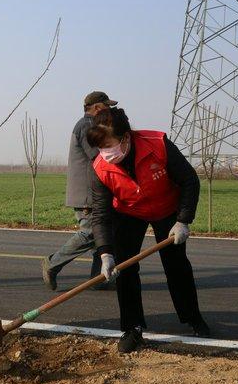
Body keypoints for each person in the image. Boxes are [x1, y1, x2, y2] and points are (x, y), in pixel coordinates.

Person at [87, 106, 210, 353]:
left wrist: (183, 220)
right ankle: (132, 328)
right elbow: (100, 214)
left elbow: (189, 180)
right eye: (101, 148)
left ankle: (193, 318)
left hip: (167, 209)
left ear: (126, 138)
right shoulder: (100, 167)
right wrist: (105, 253)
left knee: (176, 265)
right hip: (129, 212)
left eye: (109, 146)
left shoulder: (157, 144)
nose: (106, 154)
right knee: (125, 267)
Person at [42, 91, 118, 291]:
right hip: (87, 193)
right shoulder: (87, 126)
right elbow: (98, 157)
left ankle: (99, 279)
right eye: (107, 106)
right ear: (97, 107)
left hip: (92, 191)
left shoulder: (89, 125)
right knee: (91, 232)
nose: (110, 110)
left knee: (103, 234)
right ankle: (52, 263)